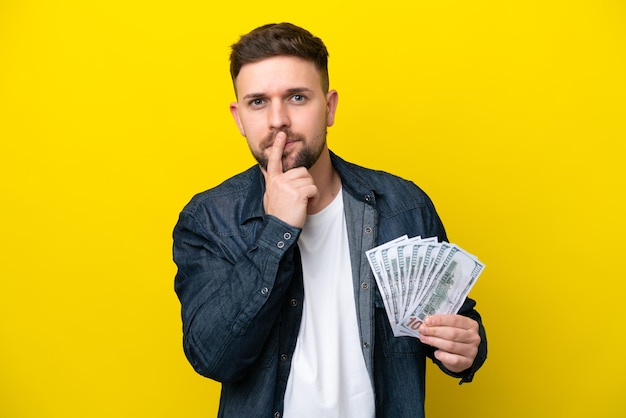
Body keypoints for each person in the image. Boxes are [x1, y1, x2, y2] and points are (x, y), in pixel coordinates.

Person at [173, 22, 487, 418]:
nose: (277, 121)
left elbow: (455, 317)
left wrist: (466, 348)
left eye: (297, 97)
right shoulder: (209, 219)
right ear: (238, 118)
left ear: (330, 106)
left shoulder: (404, 205)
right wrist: (277, 232)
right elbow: (213, 357)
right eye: (258, 102)